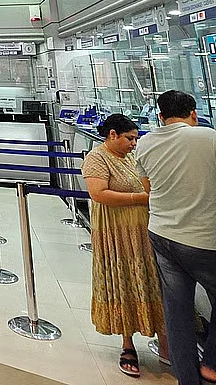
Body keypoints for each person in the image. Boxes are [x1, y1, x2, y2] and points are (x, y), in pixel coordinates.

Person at [135, 90, 216, 385]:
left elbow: (149, 187)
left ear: (160, 116)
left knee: (177, 311)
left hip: (161, 233)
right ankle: (214, 363)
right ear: (193, 113)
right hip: (203, 239)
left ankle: (187, 378)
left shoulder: (146, 142)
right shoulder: (206, 136)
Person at [83, 114, 168, 378]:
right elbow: (98, 194)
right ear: (113, 134)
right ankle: (127, 343)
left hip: (143, 230)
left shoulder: (132, 157)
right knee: (123, 281)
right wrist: (140, 198)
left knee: (152, 279)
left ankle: (166, 339)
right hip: (115, 233)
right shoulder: (96, 158)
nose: (134, 143)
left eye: (135, 139)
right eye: (129, 138)